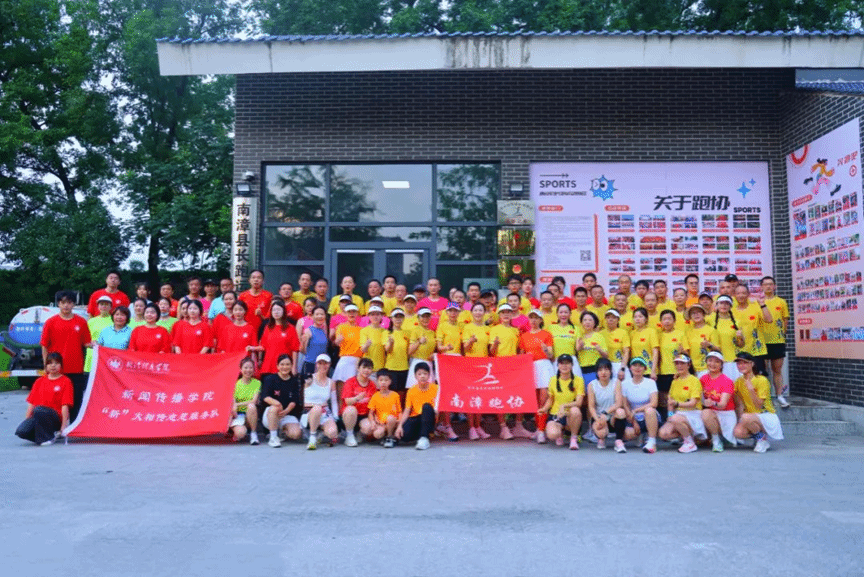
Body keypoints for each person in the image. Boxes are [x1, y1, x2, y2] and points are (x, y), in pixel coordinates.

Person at [40, 291, 90, 420]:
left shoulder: (81, 322)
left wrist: (100, 346)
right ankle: (55, 426)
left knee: (76, 400)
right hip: (56, 369)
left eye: (69, 302)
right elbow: (44, 345)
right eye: (63, 302)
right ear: (58, 304)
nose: (66, 305)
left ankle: (74, 427)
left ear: (74, 304)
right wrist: (46, 365)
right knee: (55, 401)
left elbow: (87, 343)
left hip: (76, 369)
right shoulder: (51, 322)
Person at [490, 304, 533, 440]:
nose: (506, 315)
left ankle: (518, 426)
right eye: (503, 312)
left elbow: (519, 349)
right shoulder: (494, 329)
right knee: (500, 396)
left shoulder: (516, 331)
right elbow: (492, 352)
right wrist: (495, 344)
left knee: (518, 394)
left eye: (508, 312)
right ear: (499, 315)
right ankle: (503, 427)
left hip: (514, 367)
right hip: (500, 366)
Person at [15, 352, 73, 445]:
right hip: (38, 414)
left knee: (39, 410)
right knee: (22, 431)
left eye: (56, 363)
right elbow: (31, 403)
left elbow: (65, 406)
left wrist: (63, 427)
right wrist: (27, 421)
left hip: (55, 417)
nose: (53, 365)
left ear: (61, 365)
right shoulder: (39, 381)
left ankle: (46, 438)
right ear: (46, 366)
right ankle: (49, 435)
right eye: (50, 363)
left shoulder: (66, 381)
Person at [733, 352, 784, 453]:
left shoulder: (762, 380)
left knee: (745, 417)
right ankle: (759, 436)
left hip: (766, 415)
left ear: (752, 364)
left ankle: (761, 439)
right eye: (739, 363)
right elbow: (739, 404)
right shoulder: (738, 381)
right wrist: (740, 420)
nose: (741, 366)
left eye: (745, 363)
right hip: (750, 416)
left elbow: (759, 405)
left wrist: (751, 390)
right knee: (737, 432)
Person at [519, 310, 554, 444]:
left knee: (543, 400)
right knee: (534, 400)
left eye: (536, 318)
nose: (533, 320)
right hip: (530, 367)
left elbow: (550, 354)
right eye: (531, 318)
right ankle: (538, 429)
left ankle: (541, 429)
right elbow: (521, 355)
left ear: (541, 320)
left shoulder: (546, 334)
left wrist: (545, 350)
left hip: (544, 366)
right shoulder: (524, 336)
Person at [658, 354, 706, 453]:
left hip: (693, 413)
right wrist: (670, 415)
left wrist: (677, 404)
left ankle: (690, 443)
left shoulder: (694, 380)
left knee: (675, 418)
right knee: (663, 433)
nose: (679, 366)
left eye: (682, 363)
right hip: (679, 414)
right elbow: (670, 401)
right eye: (677, 363)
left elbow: (693, 403)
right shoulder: (675, 381)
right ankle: (687, 436)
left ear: (688, 365)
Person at [539, 354, 584, 450]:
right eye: (561, 363)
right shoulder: (553, 380)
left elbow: (579, 402)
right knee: (552, 434)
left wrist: (564, 406)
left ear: (572, 365)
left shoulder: (578, 380)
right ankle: (560, 434)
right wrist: (544, 409)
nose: (564, 366)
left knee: (575, 410)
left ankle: (573, 438)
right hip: (556, 415)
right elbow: (550, 399)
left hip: (569, 415)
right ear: (558, 366)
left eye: (567, 363)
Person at [462, 302, 492, 440]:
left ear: (484, 313)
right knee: (471, 396)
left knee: (480, 396)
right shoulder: (467, 328)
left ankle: (478, 426)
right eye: (476, 310)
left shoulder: (488, 329)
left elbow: (490, 349)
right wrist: (471, 341)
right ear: (471, 313)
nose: (478, 313)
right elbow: (465, 348)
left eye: (481, 310)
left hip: (484, 366)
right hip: (470, 365)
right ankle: (471, 428)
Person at [260, 354, 304, 447]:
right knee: (275, 407)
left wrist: (286, 410)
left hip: (287, 414)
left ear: (291, 366)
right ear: (277, 366)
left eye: (287, 364)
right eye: (282, 364)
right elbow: (265, 397)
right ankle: (273, 437)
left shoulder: (294, 381)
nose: (285, 367)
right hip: (271, 414)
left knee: (296, 434)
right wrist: (277, 404)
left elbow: (294, 400)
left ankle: (281, 432)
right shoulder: (270, 379)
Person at [619, 357, 660, 453]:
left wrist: (636, 410)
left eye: (641, 366)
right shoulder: (624, 384)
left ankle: (652, 442)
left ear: (645, 369)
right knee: (627, 434)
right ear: (630, 368)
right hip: (633, 417)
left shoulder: (651, 383)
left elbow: (654, 403)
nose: (637, 368)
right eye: (635, 365)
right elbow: (625, 405)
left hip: (649, 416)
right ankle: (641, 435)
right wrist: (634, 422)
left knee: (649, 410)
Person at [761, 276, 790, 408]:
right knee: (763, 371)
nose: (768, 286)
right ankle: (765, 397)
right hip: (762, 341)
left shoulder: (781, 302)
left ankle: (779, 396)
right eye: (765, 284)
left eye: (770, 284)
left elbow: (785, 320)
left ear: (774, 286)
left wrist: (782, 335)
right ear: (762, 287)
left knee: (777, 370)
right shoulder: (758, 302)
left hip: (777, 340)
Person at [394, 362, 438, 450]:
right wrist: (399, 426)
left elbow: (439, 407)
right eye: (419, 374)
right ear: (415, 376)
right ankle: (421, 435)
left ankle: (424, 438)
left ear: (429, 375)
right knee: (404, 436)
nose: (422, 376)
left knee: (426, 407)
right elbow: (407, 410)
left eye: (425, 374)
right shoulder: (411, 390)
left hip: (430, 417)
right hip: (416, 418)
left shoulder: (436, 388)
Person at [700, 351, 738, 452]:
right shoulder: (703, 379)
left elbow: (722, 405)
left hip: (725, 413)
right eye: (710, 360)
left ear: (721, 364)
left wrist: (713, 403)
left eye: (717, 361)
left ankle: (716, 440)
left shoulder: (727, 381)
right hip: (712, 414)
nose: (712, 364)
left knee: (706, 413)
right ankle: (715, 438)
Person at [587, 359, 627, 452]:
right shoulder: (592, 385)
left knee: (621, 412)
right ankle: (601, 438)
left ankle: (618, 441)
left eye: (606, 369)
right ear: (597, 372)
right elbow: (591, 406)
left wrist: (606, 413)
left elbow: (619, 403)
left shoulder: (616, 382)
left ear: (611, 371)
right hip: (599, 417)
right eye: (600, 370)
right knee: (601, 433)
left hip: (613, 416)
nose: (603, 372)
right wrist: (597, 419)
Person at [733, 283, 772, 375]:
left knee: (758, 379)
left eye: (743, 293)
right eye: (738, 293)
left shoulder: (756, 306)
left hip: (756, 351)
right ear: (734, 295)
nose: (741, 295)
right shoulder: (731, 311)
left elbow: (769, 320)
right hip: (739, 353)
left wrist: (762, 304)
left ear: (748, 294)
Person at [303, 354, 340, 449]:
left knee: (332, 433)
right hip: (309, 410)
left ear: (329, 364)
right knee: (317, 409)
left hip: (324, 411)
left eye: (326, 363)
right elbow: (303, 395)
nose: (323, 366)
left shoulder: (331, 382)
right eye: (320, 363)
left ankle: (320, 433)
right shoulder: (310, 378)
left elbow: (334, 401)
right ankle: (312, 437)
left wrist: (335, 416)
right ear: (316, 364)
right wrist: (307, 382)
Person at [656, 309, 687, 420]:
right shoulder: (658, 335)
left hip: (677, 372)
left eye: (669, 319)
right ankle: (667, 420)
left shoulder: (680, 334)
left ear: (674, 321)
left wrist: (680, 371)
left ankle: (678, 421)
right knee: (664, 400)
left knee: (676, 399)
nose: (667, 321)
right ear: (661, 321)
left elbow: (686, 353)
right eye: (664, 319)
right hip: (663, 372)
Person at [340, 358, 378, 447]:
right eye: (364, 367)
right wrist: (357, 398)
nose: (366, 370)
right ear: (358, 368)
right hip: (350, 415)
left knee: (369, 428)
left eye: (369, 368)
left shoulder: (372, 385)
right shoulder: (350, 382)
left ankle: (358, 433)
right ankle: (349, 435)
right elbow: (347, 401)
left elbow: (374, 404)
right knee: (351, 409)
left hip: (363, 415)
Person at [259, 300, 301, 377]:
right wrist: (251, 348)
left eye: (278, 310)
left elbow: (295, 349)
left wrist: (294, 367)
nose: (276, 312)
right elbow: (263, 346)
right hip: (268, 366)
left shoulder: (290, 328)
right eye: (274, 310)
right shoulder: (268, 327)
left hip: (284, 367)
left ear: (284, 311)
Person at [366, 369, 402, 447]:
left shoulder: (395, 395)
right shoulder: (375, 396)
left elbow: (399, 411)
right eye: (381, 380)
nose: (383, 382)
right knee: (377, 434)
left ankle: (389, 437)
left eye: (386, 380)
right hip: (381, 423)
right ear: (377, 382)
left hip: (393, 421)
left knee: (390, 418)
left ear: (390, 381)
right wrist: (373, 422)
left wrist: (399, 423)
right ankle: (385, 437)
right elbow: (371, 413)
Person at [332, 303, 362, 395]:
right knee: (341, 388)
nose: (351, 314)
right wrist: (337, 341)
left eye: (354, 312)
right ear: (345, 313)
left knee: (353, 390)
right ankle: (339, 405)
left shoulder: (361, 330)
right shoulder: (341, 327)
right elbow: (337, 343)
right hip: (345, 359)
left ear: (357, 314)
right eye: (349, 312)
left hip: (357, 361)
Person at [711, 295, 742, 380]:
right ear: (717, 305)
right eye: (721, 303)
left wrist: (741, 337)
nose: (724, 306)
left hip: (732, 360)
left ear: (730, 306)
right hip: (715, 360)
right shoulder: (709, 320)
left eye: (727, 303)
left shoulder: (737, 322)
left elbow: (740, 345)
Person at [231, 357, 261, 445]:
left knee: (251, 406)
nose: (248, 370)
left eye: (250, 368)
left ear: (254, 370)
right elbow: (233, 403)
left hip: (250, 414)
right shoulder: (235, 383)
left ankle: (253, 434)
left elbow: (254, 401)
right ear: (241, 369)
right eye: (245, 367)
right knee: (240, 433)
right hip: (238, 415)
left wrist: (237, 404)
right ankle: (237, 431)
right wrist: (235, 406)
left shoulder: (257, 383)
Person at [684, 304, 720, 377]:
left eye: (699, 312)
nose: (696, 315)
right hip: (692, 368)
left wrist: (709, 345)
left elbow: (718, 350)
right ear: (690, 316)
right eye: (693, 313)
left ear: (703, 314)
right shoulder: (687, 332)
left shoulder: (711, 330)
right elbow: (687, 351)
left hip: (707, 368)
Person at [384, 308, 411, 402]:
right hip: (391, 367)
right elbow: (387, 350)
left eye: (400, 317)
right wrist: (391, 343)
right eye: (396, 317)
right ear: (391, 318)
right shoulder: (386, 332)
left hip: (404, 367)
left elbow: (409, 351)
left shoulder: (407, 333)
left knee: (402, 392)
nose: (398, 319)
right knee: (391, 392)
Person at [407, 307, 436, 389]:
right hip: (417, 362)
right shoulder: (415, 330)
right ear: (418, 318)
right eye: (423, 316)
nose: (425, 319)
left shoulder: (432, 333)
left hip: (429, 363)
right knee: (415, 388)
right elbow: (409, 351)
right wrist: (419, 342)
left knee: (429, 389)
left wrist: (434, 354)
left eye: (427, 316)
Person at [576, 311, 607, 387]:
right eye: (585, 320)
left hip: (595, 370)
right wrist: (580, 346)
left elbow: (606, 355)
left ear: (595, 323)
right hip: (582, 370)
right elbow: (577, 350)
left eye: (590, 320)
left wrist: (599, 350)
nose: (587, 322)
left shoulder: (599, 336)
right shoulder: (580, 337)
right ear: (581, 323)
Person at [84, 296, 114, 372]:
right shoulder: (91, 321)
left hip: (108, 355)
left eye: (106, 304)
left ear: (110, 307)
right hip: (92, 355)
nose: (104, 306)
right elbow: (85, 339)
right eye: (101, 304)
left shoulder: (114, 321)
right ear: (98, 306)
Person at [629, 307, 659, 380]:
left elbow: (655, 352)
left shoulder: (651, 332)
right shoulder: (632, 333)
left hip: (648, 370)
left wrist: (653, 371)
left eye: (640, 316)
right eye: (635, 317)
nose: (637, 319)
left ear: (646, 319)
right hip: (635, 371)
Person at [300, 306, 329, 378]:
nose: (320, 316)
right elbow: (302, 350)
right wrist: (303, 342)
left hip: (322, 366)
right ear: (312, 316)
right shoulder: (308, 330)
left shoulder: (323, 331)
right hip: (310, 365)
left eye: (322, 314)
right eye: (317, 314)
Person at [601, 309, 630, 377]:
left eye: (613, 317)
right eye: (608, 317)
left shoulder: (623, 333)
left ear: (618, 320)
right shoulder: (600, 334)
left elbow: (626, 352)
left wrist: (622, 368)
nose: (610, 320)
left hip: (619, 364)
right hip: (605, 366)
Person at [359, 305, 386, 371]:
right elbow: (363, 350)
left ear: (381, 316)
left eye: (377, 314)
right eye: (372, 314)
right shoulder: (364, 331)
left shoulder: (384, 331)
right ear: (369, 316)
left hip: (381, 367)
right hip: (368, 368)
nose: (375, 317)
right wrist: (366, 345)